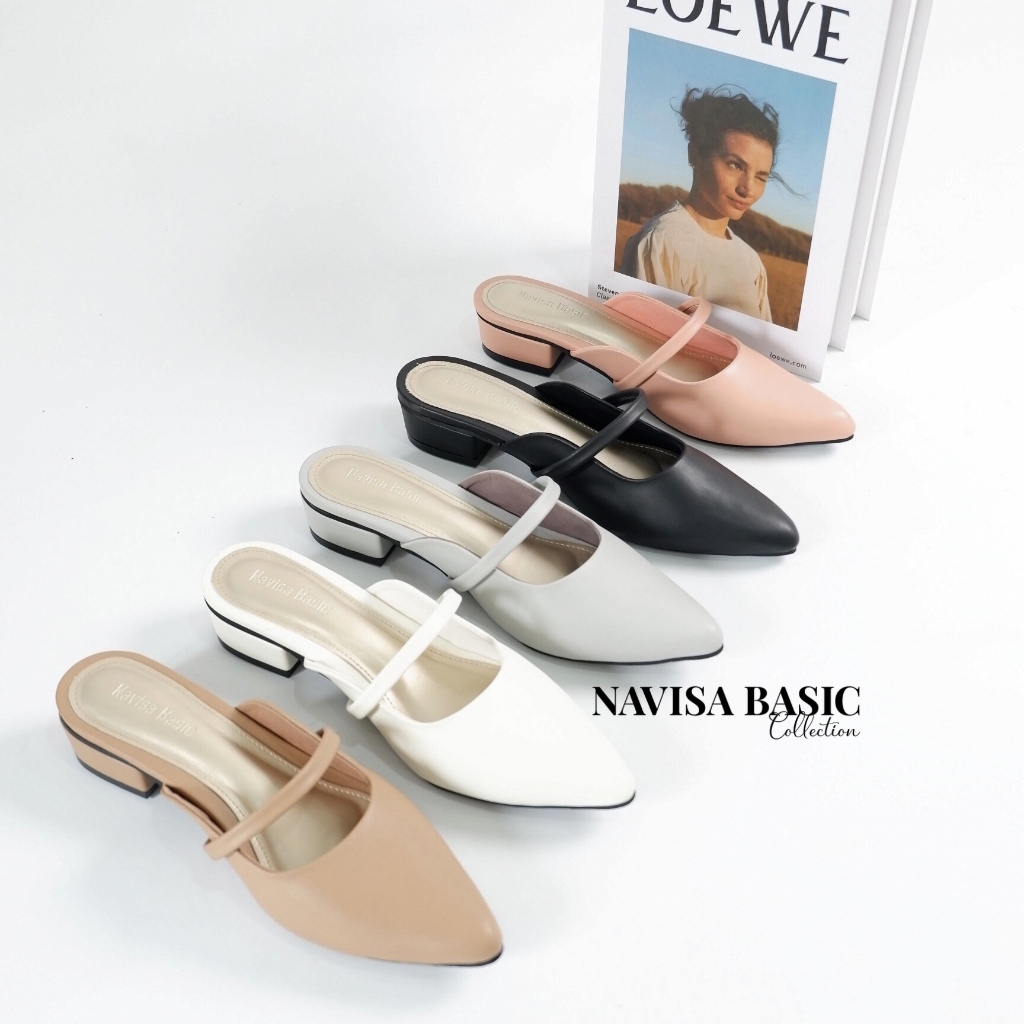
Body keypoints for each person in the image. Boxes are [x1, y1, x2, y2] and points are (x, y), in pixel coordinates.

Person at [620, 87, 782, 323]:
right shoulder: (662, 242)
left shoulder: (751, 262)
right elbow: (649, 338)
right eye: (735, 165)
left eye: (760, 177)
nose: (748, 189)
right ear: (695, 154)